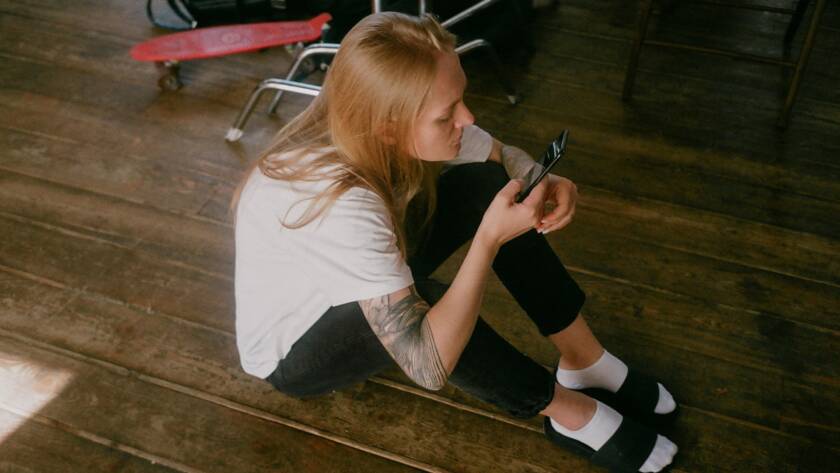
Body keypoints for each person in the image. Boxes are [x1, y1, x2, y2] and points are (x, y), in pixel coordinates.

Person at [234, 12, 678, 473]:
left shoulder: (374, 122)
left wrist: (538, 179)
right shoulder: (339, 204)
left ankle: (585, 358)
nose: (467, 118)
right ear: (387, 126)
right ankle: (572, 414)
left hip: (371, 261)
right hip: (298, 351)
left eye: (461, 99)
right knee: (430, 307)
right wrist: (488, 240)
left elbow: (500, 155)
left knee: (486, 183)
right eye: (447, 115)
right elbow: (428, 363)